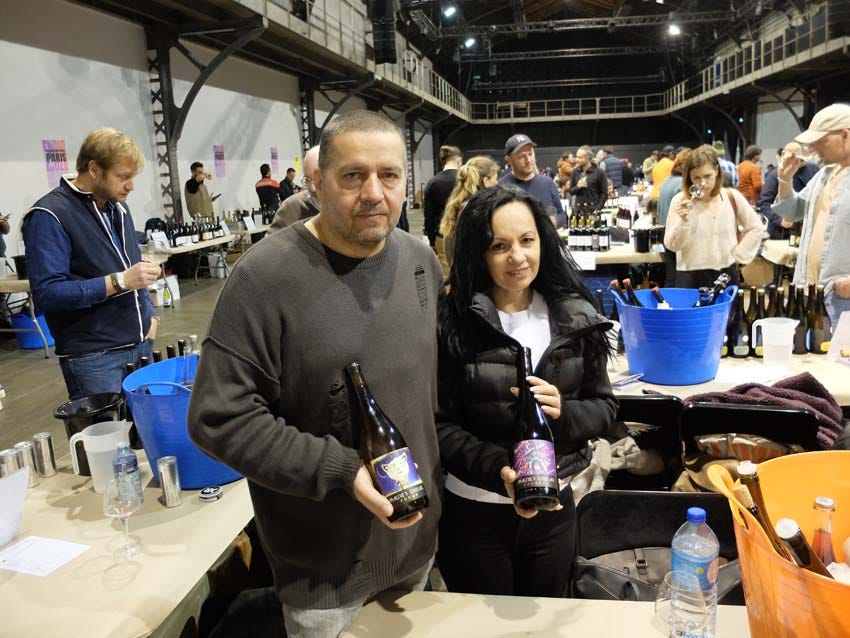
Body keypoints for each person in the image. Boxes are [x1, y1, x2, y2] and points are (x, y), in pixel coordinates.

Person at [187, 110, 442, 638]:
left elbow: (427, 395)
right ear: (318, 184)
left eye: (389, 175)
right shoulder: (262, 278)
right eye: (353, 176)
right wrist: (341, 470)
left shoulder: (421, 262)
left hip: (416, 549)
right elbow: (219, 417)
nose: (374, 193)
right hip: (325, 579)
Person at [435, 186, 616, 597]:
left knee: (547, 618)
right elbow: (439, 425)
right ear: (479, 253)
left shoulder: (574, 315)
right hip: (475, 512)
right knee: (480, 623)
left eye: (526, 240)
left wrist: (564, 413)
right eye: (499, 246)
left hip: (554, 510)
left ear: (543, 242)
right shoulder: (455, 322)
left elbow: (605, 408)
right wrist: (498, 469)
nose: (517, 256)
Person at [22, 128, 160, 399]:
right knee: (106, 426)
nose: (131, 186)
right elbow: (48, 293)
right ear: (95, 169)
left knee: (146, 425)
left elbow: (133, 269)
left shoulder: (118, 208)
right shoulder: (49, 215)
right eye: (123, 177)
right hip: (95, 357)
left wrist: (150, 316)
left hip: (140, 345)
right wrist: (119, 281)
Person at [773, 103, 850, 329]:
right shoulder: (826, 173)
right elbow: (792, 211)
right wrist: (785, 179)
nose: (815, 147)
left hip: (841, 294)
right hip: (809, 290)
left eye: (821, 140)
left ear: (845, 135)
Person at [664, 145, 763, 289]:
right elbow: (672, 245)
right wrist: (683, 221)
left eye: (707, 176)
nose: (702, 183)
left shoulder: (731, 197)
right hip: (691, 276)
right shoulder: (680, 201)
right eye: (696, 178)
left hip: (726, 274)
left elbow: (756, 227)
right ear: (689, 177)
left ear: (716, 171)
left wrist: (739, 254)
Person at [438, 155, 499, 270]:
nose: (497, 183)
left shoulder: (458, 206)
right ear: (486, 181)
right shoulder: (479, 211)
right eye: (495, 178)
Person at [499, 134, 565, 227]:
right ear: (509, 160)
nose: (528, 160)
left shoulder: (547, 182)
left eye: (530, 154)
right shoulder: (501, 187)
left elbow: (560, 213)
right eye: (521, 157)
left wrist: (554, 222)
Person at [758, 143, 818, 240]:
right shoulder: (774, 175)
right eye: (793, 156)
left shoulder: (814, 170)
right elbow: (764, 203)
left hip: (807, 230)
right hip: (781, 232)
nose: (798, 160)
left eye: (801, 157)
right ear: (784, 155)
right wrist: (779, 220)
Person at [424, 145, 462, 274]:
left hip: (442, 235)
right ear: (459, 161)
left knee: (446, 274)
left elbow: (429, 215)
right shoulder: (465, 180)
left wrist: (431, 240)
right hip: (465, 233)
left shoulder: (433, 183)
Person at [657, 148, 692, 287]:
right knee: (678, 277)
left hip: (664, 230)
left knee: (670, 275)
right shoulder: (682, 186)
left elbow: (658, 210)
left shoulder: (666, 182)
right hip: (677, 233)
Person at [269, 146, 320, 233]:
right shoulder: (290, 206)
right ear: (287, 174)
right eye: (307, 180)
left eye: (319, 180)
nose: (313, 188)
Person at [568, 145, 607, 212]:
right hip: (578, 211)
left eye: (580, 157)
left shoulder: (599, 172)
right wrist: (578, 186)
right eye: (576, 157)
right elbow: (571, 191)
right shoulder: (575, 172)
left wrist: (598, 209)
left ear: (588, 157)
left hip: (594, 211)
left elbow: (604, 193)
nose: (577, 159)